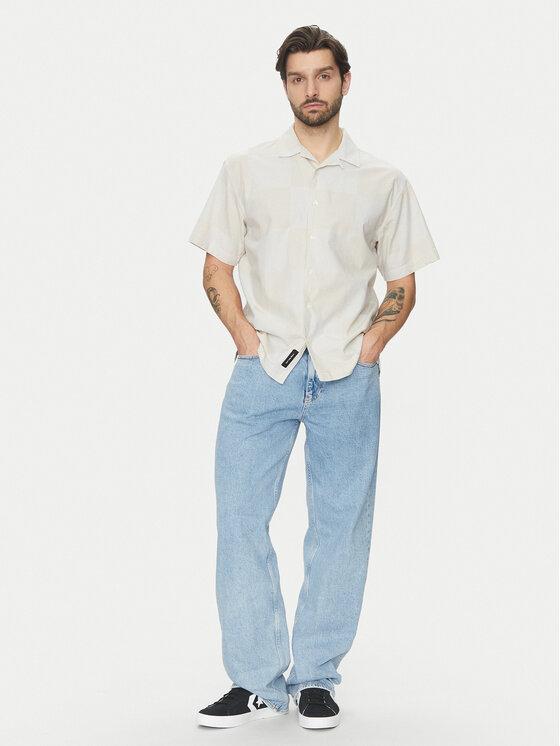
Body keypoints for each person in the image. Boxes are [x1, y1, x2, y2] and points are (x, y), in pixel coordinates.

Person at [188, 25, 440, 730]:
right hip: (262, 372)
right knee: (240, 520)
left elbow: (403, 281)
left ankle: (317, 679)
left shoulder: (383, 180)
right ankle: (254, 680)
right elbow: (216, 267)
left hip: (345, 375)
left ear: (345, 81)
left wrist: (370, 349)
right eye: (297, 78)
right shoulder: (246, 169)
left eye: (323, 75)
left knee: (340, 528)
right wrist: (245, 342)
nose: (311, 90)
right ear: (284, 86)